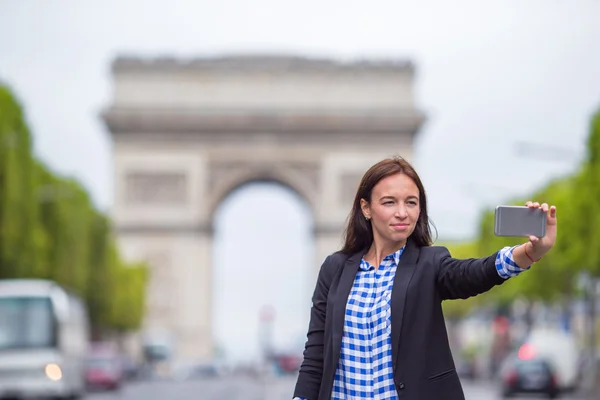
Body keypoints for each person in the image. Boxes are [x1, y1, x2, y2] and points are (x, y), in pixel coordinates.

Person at [292, 156, 557, 400]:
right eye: (389, 202)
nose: (402, 213)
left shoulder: (431, 263)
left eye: (411, 202)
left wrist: (530, 252)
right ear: (366, 208)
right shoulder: (334, 268)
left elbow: (475, 273)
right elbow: (316, 351)